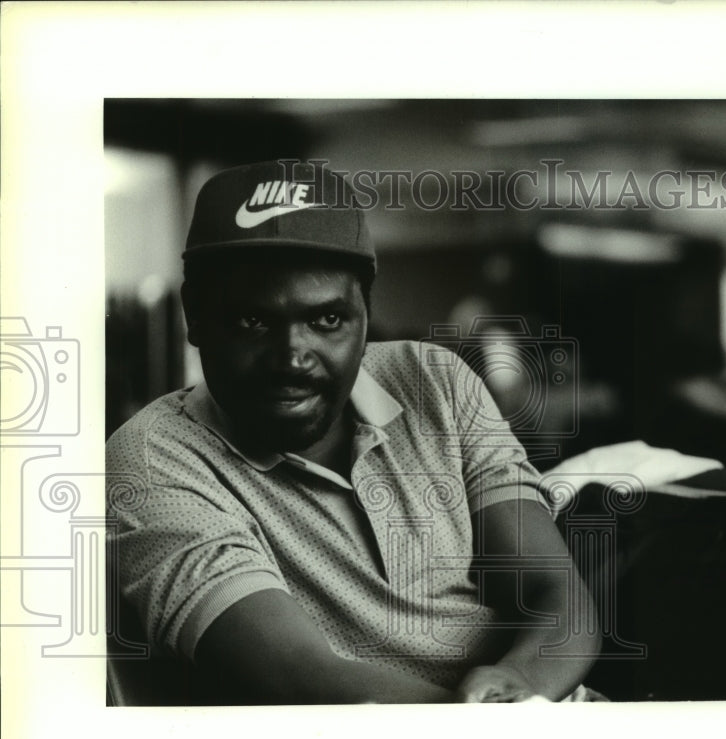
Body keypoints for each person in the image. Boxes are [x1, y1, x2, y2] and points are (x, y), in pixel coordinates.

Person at [106, 160, 601, 704]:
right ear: (195, 316)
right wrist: (493, 732)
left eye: (326, 321)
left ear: (367, 314)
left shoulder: (434, 382)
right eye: (253, 321)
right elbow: (299, 674)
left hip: (541, 719)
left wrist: (523, 688)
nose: (293, 357)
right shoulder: (155, 456)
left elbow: (556, 594)